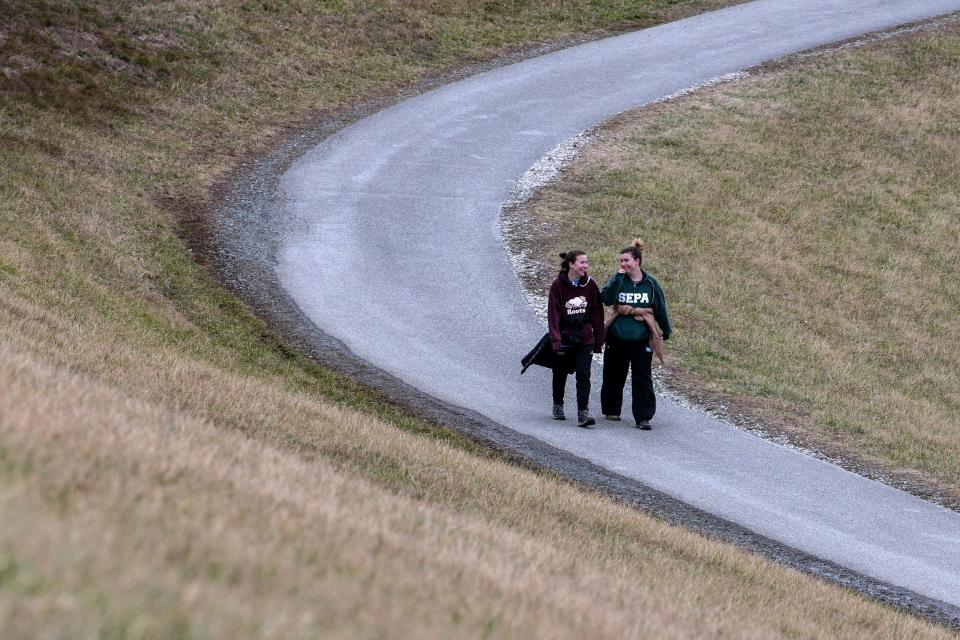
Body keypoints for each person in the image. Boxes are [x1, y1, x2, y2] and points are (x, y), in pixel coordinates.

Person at [600, 239, 672, 430]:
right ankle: (611, 410)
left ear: (637, 261)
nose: (623, 264)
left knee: (642, 377)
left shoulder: (650, 283)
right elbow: (606, 299)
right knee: (614, 374)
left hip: (641, 337)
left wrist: (666, 330)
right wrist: (617, 278)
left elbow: (660, 308)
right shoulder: (619, 280)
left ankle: (643, 417)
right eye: (621, 261)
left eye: (626, 260)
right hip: (617, 335)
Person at [547, 250, 605, 428]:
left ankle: (583, 413)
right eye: (582, 262)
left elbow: (597, 312)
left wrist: (598, 340)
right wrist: (556, 341)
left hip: (585, 338)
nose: (585, 266)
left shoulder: (590, 284)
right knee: (560, 372)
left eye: (586, 263)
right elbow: (553, 315)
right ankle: (558, 405)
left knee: (584, 375)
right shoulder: (558, 286)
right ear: (571, 264)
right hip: (565, 338)